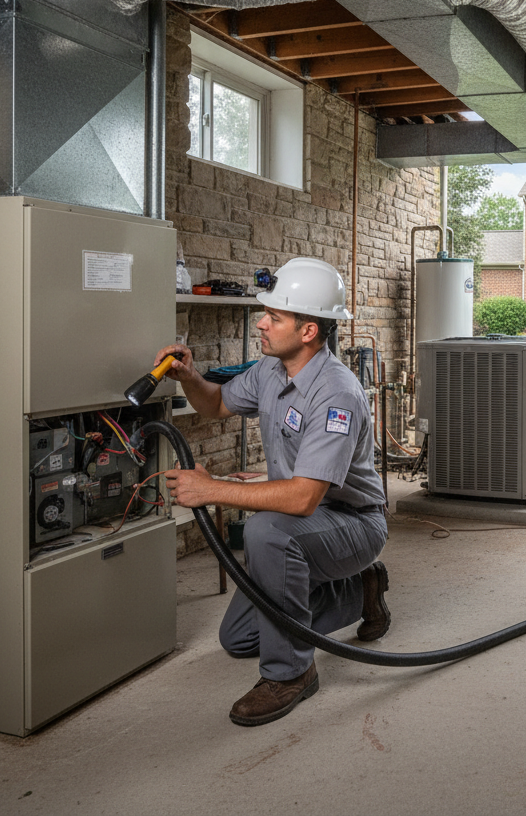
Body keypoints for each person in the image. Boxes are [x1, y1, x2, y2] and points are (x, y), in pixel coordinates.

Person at [155, 257, 390, 726]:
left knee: (266, 533)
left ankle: (292, 674)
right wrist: (191, 379)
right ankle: (359, 591)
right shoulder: (271, 371)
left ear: (308, 331)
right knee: (238, 639)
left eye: (274, 317)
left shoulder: (336, 393)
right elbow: (217, 403)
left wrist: (211, 489)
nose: (261, 323)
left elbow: (302, 497)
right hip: (304, 521)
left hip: (353, 522)